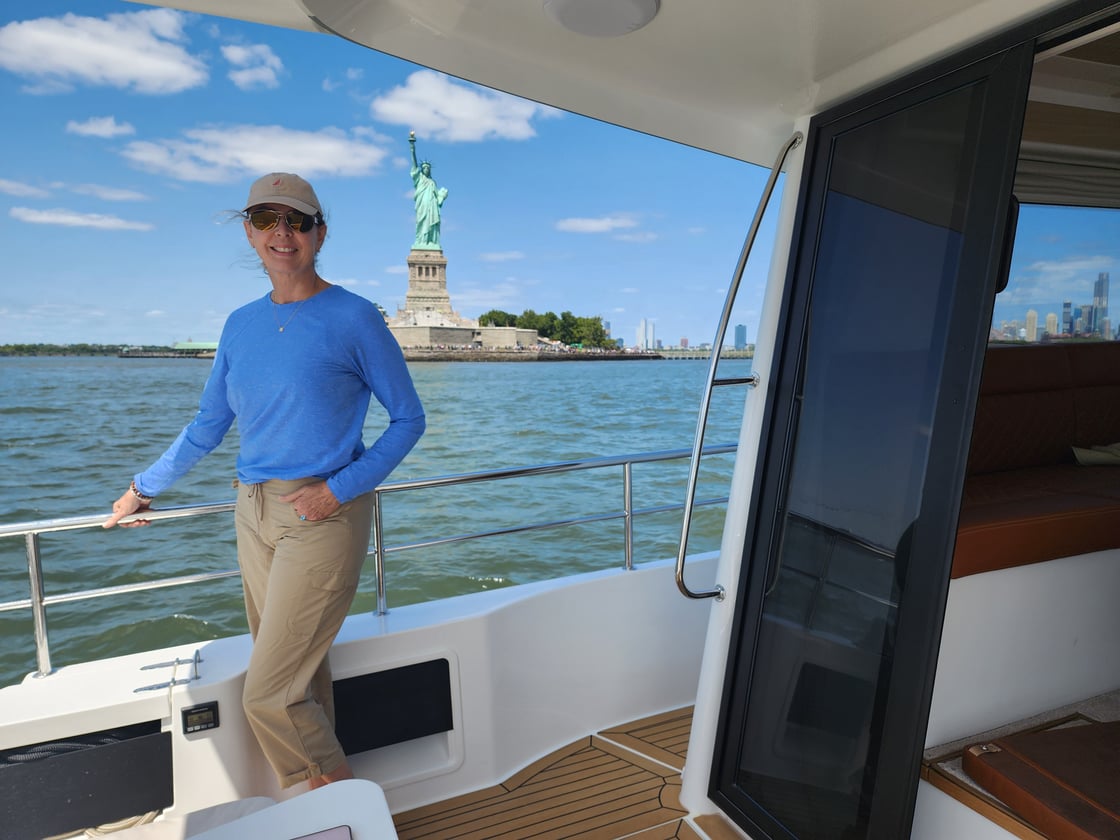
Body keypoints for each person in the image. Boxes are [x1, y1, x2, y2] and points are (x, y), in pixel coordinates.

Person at [103, 172, 426, 791]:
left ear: (319, 234)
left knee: (269, 694)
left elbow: (409, 419)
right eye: (266, 219)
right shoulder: (239, 324)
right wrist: (143, 487)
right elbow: (209, 423)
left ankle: (344, 819)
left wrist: (338, 489)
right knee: (299, 680)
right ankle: (324, 809)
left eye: (298, 220)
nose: (283, 233)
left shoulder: (355, 317)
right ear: (249, 233)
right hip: (250, 511)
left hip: (324, 511)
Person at [409, 131, 448, 250]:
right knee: (422, 222)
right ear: (422, 169)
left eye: (428, 168)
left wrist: (442, 196)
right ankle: (421, 241)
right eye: (424, 168)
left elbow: (438, 199)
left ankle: (431, 241)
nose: (426, 169)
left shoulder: (432, 183)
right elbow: (414, 164)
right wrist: (412, 148)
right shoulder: (419, 178)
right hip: (422, 206)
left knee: (432, 224)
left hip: (432, 206)